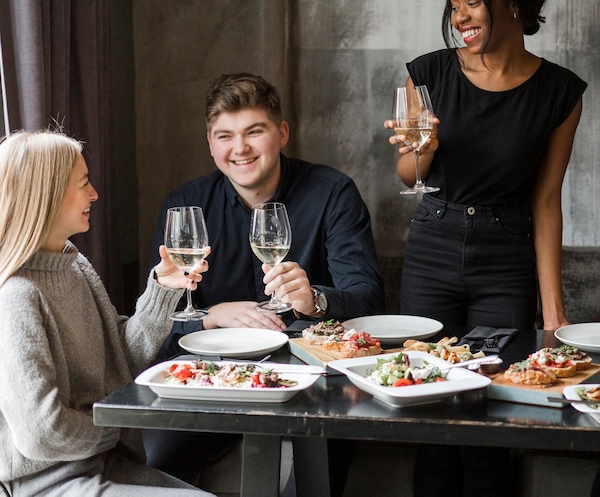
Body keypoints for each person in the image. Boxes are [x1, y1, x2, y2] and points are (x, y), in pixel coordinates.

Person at [385, 0, 587, 497]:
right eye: (455, 5)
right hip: (433, 246)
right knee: (429, 406)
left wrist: (554, 317)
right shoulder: (427, 74)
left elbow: (547, 200)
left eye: (474, 1)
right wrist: (420, 144)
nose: (462, 17)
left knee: (490, 412)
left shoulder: (559, 92)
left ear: (514, 0)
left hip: (507, 256)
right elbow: (409, 175)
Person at [144, 72, 384, 495]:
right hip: (211, 380)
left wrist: (316, 302)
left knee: (317, 472)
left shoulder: (333, 194)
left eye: (255, 132)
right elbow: (154, 326)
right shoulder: (185, 208)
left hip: (313, 379)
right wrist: (210, 317)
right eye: (225, 136)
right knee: (158, 464)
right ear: (210, 143)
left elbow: (368, 295)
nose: (240, 149)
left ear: (282, 133)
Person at [0, 130, 214, 497]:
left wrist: (162, 291)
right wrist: (119, 427)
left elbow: (120, 359)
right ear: (47, 196)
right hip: (45, 484)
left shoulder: (74, 266)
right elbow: (41, 432)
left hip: (103, 465)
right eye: (83, 183)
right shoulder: (17, 295)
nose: (94, 194)